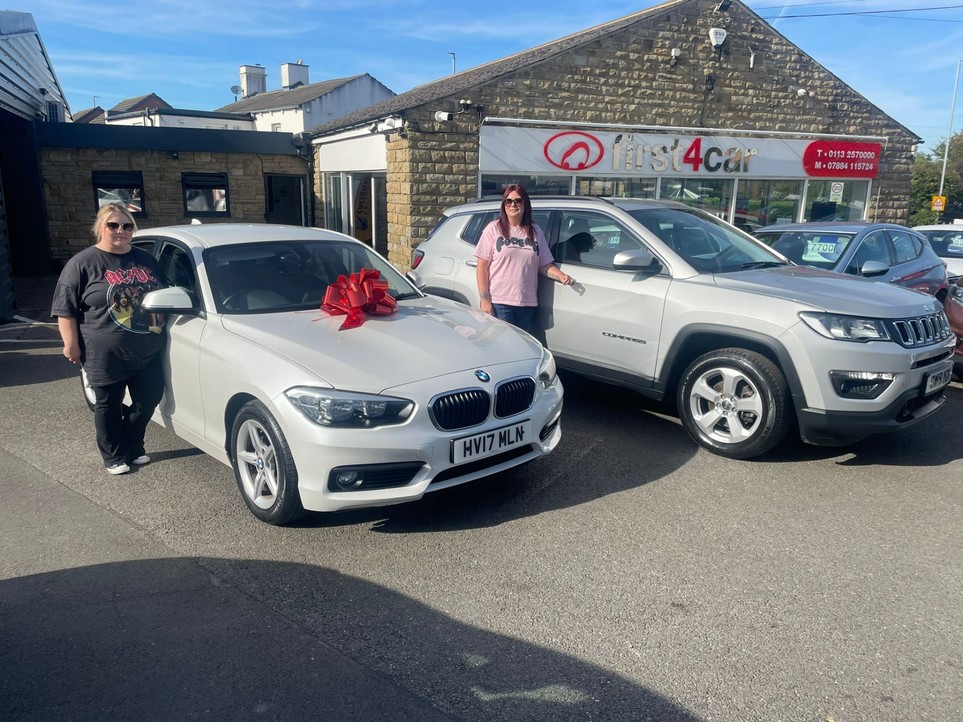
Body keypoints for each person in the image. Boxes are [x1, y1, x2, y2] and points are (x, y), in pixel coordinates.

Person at [51, 203, 167, 475]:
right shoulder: (82, 263)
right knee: (108, 405)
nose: (121, 231)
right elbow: (65, 309)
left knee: (148, 399)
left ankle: (133, 444)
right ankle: (114, 455)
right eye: (113, 225)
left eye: (127, 226)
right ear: (100, 228)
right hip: (104, 350)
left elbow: (162, 294)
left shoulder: (146, 259)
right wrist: (71, 344)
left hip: (148, 347)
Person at [474, 185, 574, 336]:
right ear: (504, 205)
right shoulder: (493, 228)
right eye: (508, 201)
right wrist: (485, 300)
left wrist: (561, 276)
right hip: (501, 302)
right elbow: (482, 266)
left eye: (517, 201)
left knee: (522, 347)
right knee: (507, 345)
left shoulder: (535, 231)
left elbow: (544, 264)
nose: (513, 205)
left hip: (527, 303)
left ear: (525, 204)